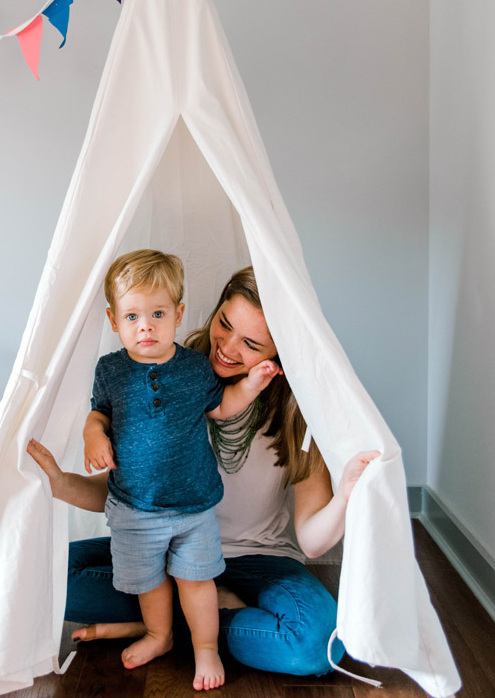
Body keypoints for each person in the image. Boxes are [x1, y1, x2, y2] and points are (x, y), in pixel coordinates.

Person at [27, 265, 379, 683]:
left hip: (253, 560)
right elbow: (132, 490)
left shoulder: (297, 415)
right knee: (42, 575)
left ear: (280, 354)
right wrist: (60, 483)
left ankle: (176, 626)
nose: (227, 348)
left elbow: (313, 542)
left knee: (315, 644)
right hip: (157, 543)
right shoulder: (172, 368)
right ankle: (177, 620)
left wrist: (345, 497)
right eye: (224, 325)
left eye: (250, 344)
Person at [80, 250, 277, 691]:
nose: (145, 326)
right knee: (148, 584)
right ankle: (160, 634)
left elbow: (221, 407)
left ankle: (206, 647)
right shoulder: (110, 369)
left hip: (193, 507)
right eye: (132, 316)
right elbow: (100, 415)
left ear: (179, 314)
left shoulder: (193, 367)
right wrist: (93, 435)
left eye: (157, 313)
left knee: (196, 580)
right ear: (114, 321)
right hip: (135, 507)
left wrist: (251, 383)